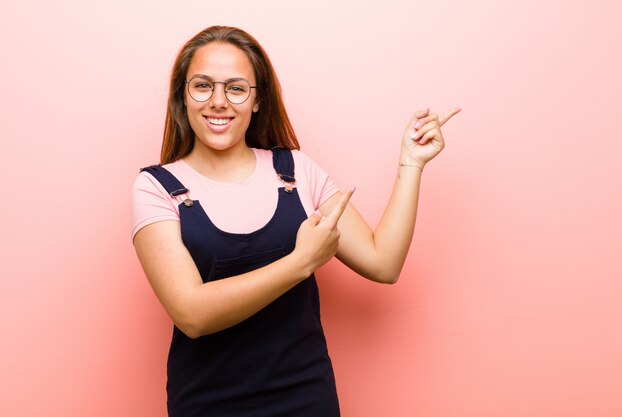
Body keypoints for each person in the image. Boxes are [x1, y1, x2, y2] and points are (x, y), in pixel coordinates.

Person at [131, 25, 460, 417]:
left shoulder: (296, 171)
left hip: (306, 398)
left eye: (236, 88)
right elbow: (192, 314)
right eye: (203, 86)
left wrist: (411, 164)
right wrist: (300, 262)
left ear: (257, 101)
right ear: (182, 97)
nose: (218, 101)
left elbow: (383, 262)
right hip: (205, 403)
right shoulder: (156, 187)